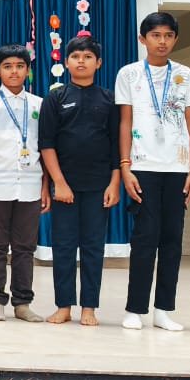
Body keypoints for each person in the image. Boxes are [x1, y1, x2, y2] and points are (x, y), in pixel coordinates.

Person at [117, 12, 190, 332]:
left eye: (168, 35)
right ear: (143, 39)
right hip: (142, 166)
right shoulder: (129, 74)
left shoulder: (186, 75)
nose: (162, 41)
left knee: (171, 240)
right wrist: (125, 166)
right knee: (144, 238)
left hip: (177, 167)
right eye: (155, 35)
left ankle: (163, 310)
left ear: (175, 39)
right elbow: (125, 121)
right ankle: (134, 309)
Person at [40, 36, 121, 327]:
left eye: (88, 57)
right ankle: (63, 306)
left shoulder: (109, 99)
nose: (81, 61)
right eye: (76, 56)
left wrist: (114, 183)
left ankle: (89, 307)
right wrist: (58, 183)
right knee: (63, 246)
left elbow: (117, 146)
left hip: (99, 186)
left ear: (98, 63)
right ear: (66, 62)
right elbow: (46, 144)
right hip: (65, 187)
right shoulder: (56, 98)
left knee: (93, 247)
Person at [0, 44, 49, 322]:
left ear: (27, 70)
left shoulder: (39, 105)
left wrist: (45, 186)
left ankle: (23, 303)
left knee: (25, 247)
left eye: (19, 66)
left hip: (30, 186)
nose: (14, 72)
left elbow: (46, 147)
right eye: (7, 67)